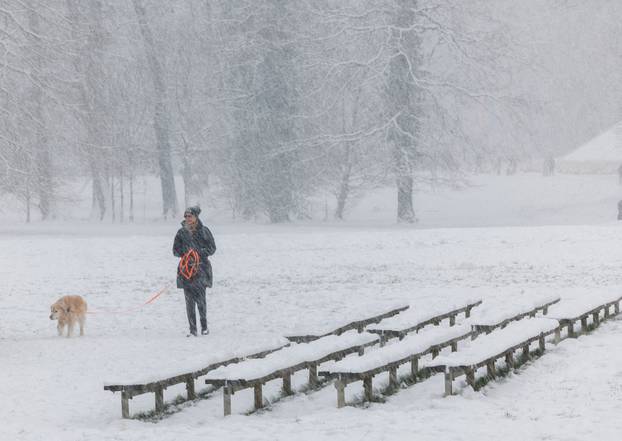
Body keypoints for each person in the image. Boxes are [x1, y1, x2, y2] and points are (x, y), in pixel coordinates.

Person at [173, 206, 216, 336]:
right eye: (185, 216)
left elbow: (212, 248)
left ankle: (204, 327)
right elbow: (175, 251)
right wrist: (186, 254)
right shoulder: (181, 233)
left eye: (190, 216)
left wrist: (198, 253)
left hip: (201, 270)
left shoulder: (204, 231)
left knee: (201, 300)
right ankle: (192, 330)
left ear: (196, 217)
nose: (187, 218)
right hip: (186, 272)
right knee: (189, 302)